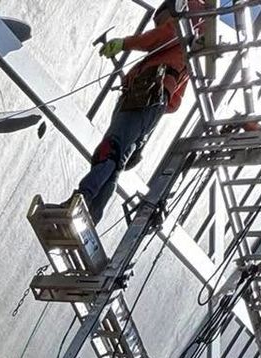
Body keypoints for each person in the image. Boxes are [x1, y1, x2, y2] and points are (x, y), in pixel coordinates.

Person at [72, 2, 191, 225]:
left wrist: (124, 43)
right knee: (115, 161)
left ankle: (83, 201)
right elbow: (174, 103)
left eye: (160, 20)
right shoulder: (188, 51)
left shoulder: (187, 15)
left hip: (145, 94)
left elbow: (161, 36)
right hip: (152, 101)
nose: (157, 25)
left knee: (109, 151)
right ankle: (90, 216)